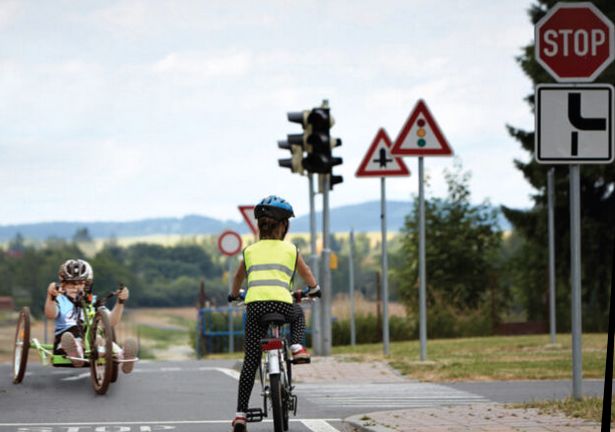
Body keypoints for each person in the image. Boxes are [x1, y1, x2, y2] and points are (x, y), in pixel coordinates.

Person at [228, 195, 320, 432]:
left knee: (250, 361)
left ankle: (240, 415)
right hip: (282, 304)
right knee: (298, 314)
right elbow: (306, 273)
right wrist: (314, 289)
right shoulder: (290, 249)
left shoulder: (249, 251)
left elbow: (238, 277)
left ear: (260, 226)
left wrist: (235, 294)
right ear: (284, 226)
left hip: (256, 307)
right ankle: (297, 346)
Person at [44, 258, 137, 372]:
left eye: (80, 283)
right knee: (72, 337)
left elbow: (111, 321)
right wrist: (51, 297)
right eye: (71, 283)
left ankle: (122, 355)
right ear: (62, 284)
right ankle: (76, 353)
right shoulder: (60, 300)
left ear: (87, 284)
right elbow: (50, 314)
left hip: (92, 340)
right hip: (66, 340)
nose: (75, 287)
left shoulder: (93, 301)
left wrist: (120, 302)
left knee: (101, 339)